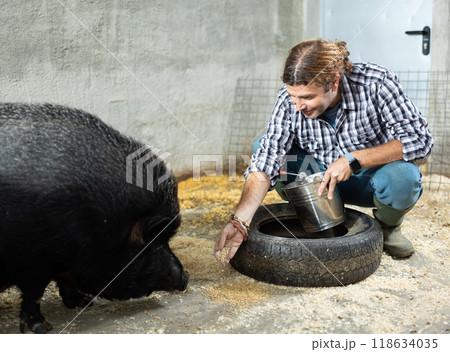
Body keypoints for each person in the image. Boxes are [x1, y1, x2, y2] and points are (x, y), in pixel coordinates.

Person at [214, 39, 433, 263]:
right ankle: (313, 216)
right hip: (316, 181)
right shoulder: (288, 103)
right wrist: (239, 222)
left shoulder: (376, 82)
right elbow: (266, 159)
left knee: (404, 176)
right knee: (262, 145)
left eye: (308, 97)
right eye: (293, 96)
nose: (298, 106)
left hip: (370, 180)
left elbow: (420, 140)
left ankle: (387, 230)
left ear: (334, 83)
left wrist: (353, 159)